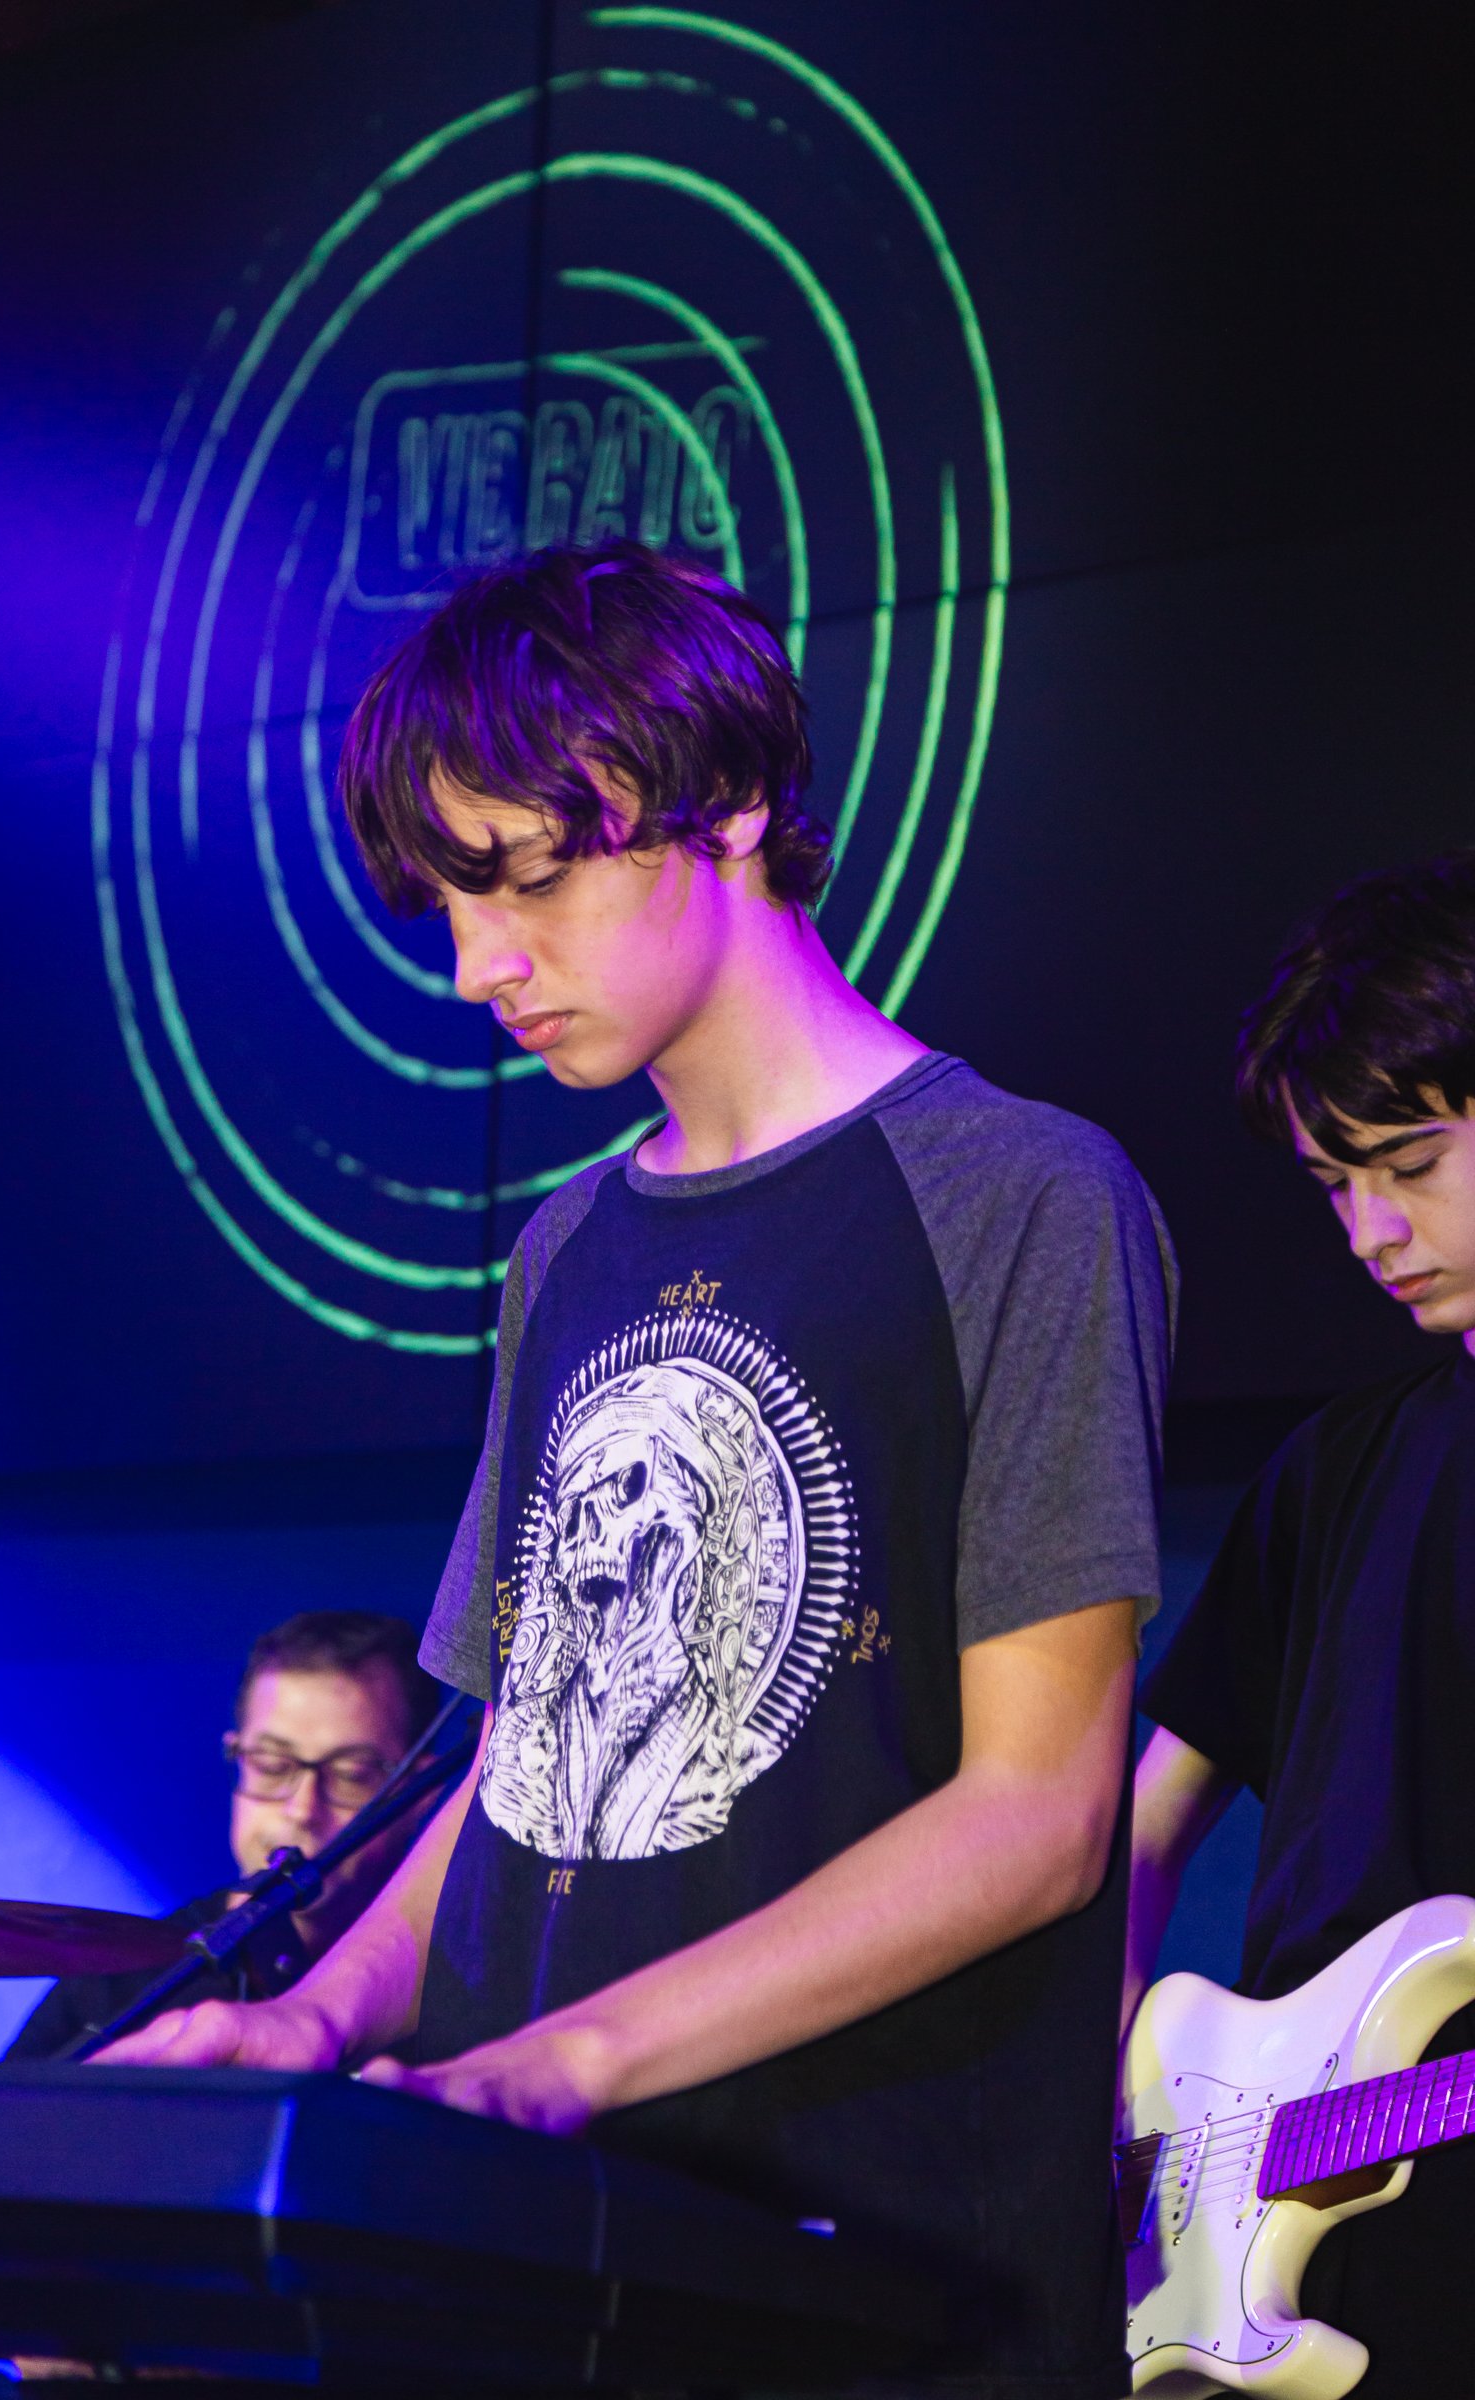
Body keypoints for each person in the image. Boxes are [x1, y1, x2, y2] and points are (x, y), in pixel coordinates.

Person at [102, 539, 1174, 2399]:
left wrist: (561, 2062)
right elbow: (523, 1766)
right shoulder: (564, 1249)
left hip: (868, 2281)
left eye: (529, 877)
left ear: (730, 803)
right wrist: (320, 2023)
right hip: (542, 2270)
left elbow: (1039, 1814)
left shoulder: (1022, 1194)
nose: (479, 966)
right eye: (450, 904)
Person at [1126, 851, 1475, 2397]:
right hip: (1288, 2260)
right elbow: (1141, 1830)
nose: (1368, 1230)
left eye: (1410, 1163)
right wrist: (1117, 2090)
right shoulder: (1336, 1467)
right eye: (1336, 1184)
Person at [8, 1610, 444, 2060]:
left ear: (422, 1790)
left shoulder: (462, 1997)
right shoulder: (114, 1982)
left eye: (352, 1774)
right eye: (272, 1765)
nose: (301, 1810)